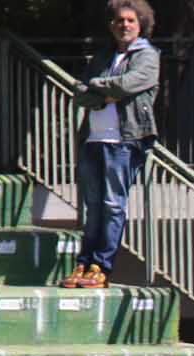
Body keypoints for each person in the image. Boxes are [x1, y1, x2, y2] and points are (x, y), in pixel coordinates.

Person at [63, 1, 160, 290]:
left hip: (124, 141)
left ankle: (101, 266)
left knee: (112, 205)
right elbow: (79, 91)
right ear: (111, 26)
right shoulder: (103, 57)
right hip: (93, 140)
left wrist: (99, 87)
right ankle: (83, 263)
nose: (125, 25)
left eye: (131, 20)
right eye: (119, 21)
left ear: (140, 24)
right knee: (93, 206)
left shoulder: (147, 56)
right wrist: (103, 93)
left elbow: (127, 85)